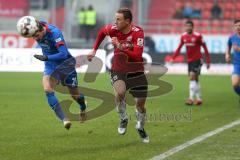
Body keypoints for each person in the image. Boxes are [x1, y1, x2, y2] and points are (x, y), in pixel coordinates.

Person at [87, 8, 149, 143]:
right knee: (119, 93)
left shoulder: (138, 33)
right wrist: (94, 50)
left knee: (141, 105)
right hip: (118, 69)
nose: (115, 21)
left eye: (118, 19)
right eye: (115, 18)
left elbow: (137, 55)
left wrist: (120, 46)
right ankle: (123, 118)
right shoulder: (113, 29)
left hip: (136, 71)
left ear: (127, 21)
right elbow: (102, 32)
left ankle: (141, 127)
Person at [29, 17, 87, 129]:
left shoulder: (55, 33)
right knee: (47, 88)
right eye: (33, 36)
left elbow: (63, 54)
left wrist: (46, 57)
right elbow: (35, 21)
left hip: (66, 65)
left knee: (75, 96)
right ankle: (64, 118)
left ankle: (83, 106)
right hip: (51, 65)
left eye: (36, 36)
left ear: (42, 31)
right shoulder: (38, 28)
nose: (35, 39)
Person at [171, 20, 211, 105]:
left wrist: (208, 61)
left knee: (192, 77)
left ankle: (190, 99)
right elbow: (179, 47)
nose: (188, 28)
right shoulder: (183, 36)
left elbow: (205, 48)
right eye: (186, 26)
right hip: (190, 61)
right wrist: (173, 58)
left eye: (189, 26)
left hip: (198, 60)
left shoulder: (198, 36)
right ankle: (199, 99)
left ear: (192, 27)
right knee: (195, 79)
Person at [225, 20, 240, 98]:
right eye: (236, 25)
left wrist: (239, 49)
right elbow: (228, 46)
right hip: (237, 64)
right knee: (235, 84)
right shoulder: (232, 37)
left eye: (239, 25)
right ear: (234, 27)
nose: (238, 27)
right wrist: (227, 55)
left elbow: (237, 48)